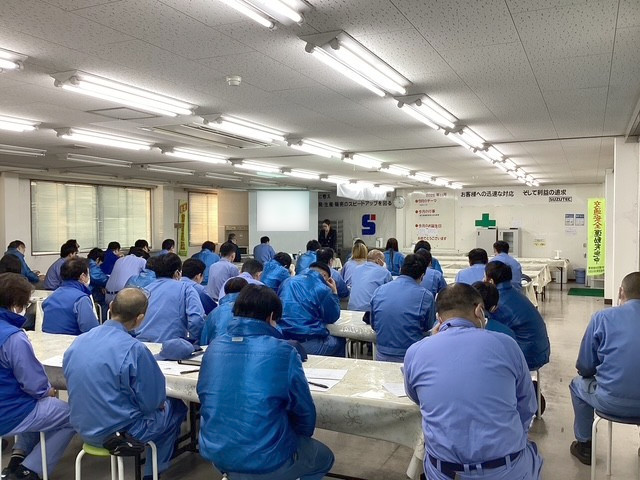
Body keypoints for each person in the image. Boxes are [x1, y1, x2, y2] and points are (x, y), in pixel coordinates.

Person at [404, 283, 542, 480]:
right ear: (479, 311)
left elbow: (416, 397)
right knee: (533, 454)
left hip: (445, 471)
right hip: (505, 468)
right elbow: (527, 405)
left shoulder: (416, 351)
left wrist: (429, 343)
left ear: (439, 319)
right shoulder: (506, 345)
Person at [198, 285, 334, 480]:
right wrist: (297, 437)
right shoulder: (283, 351)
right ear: (271, 317)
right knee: (324, 457)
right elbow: (304, 411)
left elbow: (205, 397)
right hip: (267, 458)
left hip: (217, 453)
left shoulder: (213, 348)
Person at [63, 288, 187, 480]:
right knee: (176, 408)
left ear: (111, 307)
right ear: (140, 318)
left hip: (83, 429)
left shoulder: (79, 342)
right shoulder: (134, 349)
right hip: (120, 434)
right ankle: (152, 473)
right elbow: (153, 402)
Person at [0, 273, 75, 480]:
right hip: (10, 412)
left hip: (8, 404)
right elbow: (35, 385)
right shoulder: (13, 338)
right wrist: (48, 390)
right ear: (16, 304)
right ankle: (30, 471)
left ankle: (18, 456)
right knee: (73, 416)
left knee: (41, 407)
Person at [568, 272, 640, 464]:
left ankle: (585, 445)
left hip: (610, 401)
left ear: (621, 292)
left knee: (577, 385)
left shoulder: (603, 317)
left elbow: (585, 366)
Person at [485, 261, 550, 371]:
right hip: (541, 350)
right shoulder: (515, 294)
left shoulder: (497, 302)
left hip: (528, 357)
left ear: (491, 281)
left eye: (484, 277)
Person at [370, 254, 435, 362]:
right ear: (422, 275)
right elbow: (427, 326)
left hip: (382, 355)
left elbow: (374, 324)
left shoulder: (379, 290)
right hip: (411, 357)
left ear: (400, 269)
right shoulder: (426, 296)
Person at [134, 253, 205, 344]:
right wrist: (194, 341)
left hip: (142, 344)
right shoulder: (186, 289)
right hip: (171, 346)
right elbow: (196, 320)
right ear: (177, 273)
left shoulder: (145, 290)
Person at [278, 262, 342, 356]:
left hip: (282, 339)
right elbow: (333, 317)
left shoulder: (287, 282)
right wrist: (334, 292)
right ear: (324, 276)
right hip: (306, 341)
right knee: (340, 341)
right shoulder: (323, 289)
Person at [42, 257, 99, 335]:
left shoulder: (52, 296)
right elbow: (91, 331)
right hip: (72, 341)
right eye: (88, 274)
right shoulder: (81, 299)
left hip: (48, 340)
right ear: (82, 276)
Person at [200, 277, 248, 345]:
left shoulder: (214, 313)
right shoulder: (253, 311)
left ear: (225, 292)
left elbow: (204, 340)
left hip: (216, 348)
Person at [87, 248, 109, 321]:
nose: (99, 266)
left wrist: (101, 287)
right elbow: (101, 279)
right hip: (90, 292)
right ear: (97, 259)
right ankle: (103, 321)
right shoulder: (92, 266)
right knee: (106, 301)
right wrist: (110, 279)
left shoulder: (85, 262)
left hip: (86, 289)